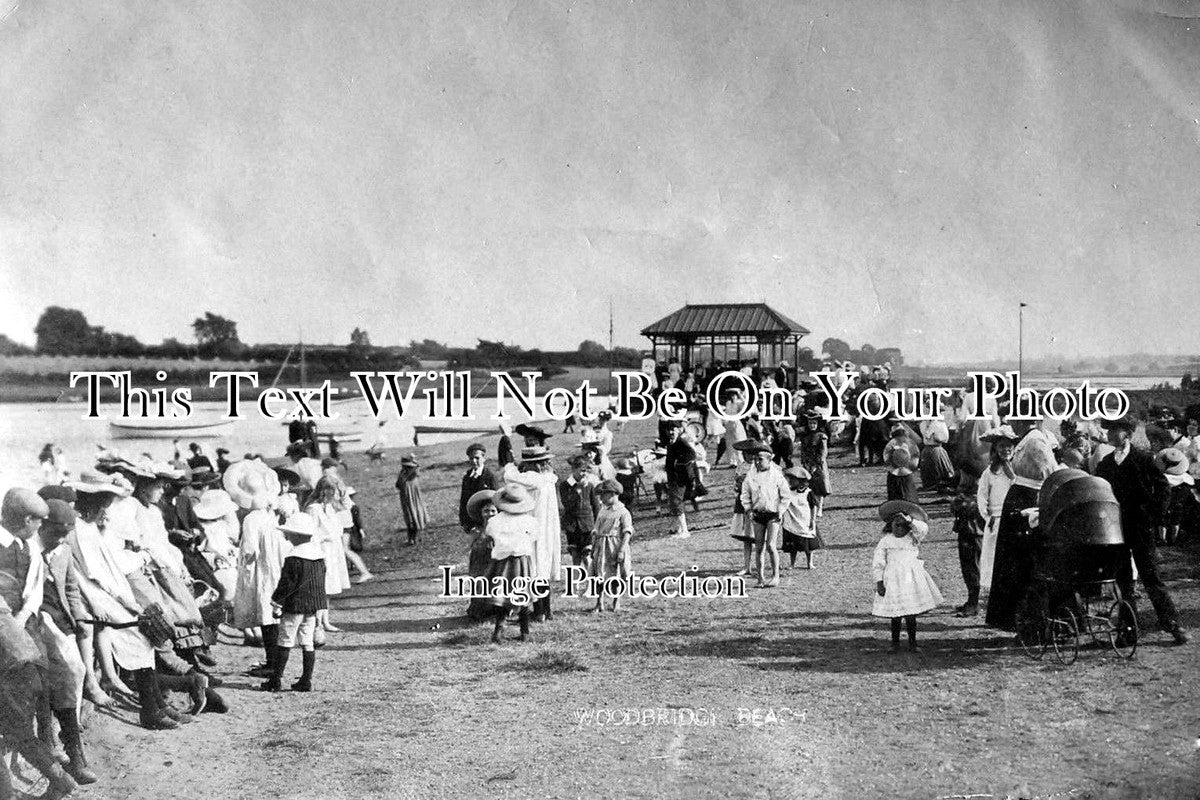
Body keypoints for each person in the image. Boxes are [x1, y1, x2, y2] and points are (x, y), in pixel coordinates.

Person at [1095, 417, 1188, 644]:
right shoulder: (1105, 464)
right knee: (1124, 580)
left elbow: (1164, 488)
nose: (1108, 434)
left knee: (1151, 576)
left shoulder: (1145, 459)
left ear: (1126, 433)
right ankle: (1128, 632)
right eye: (1108, 430)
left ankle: (1172, 624)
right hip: (1115, 529)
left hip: (1141, 528)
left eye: (1113, 430)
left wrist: (1154, 516)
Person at [985, 418, 1058, 631]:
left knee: (1021, 563)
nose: (1011, 424)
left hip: (1028, 500)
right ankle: (1012, 618)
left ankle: (1027, 621)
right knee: (1011, 563)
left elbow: (1050, 474)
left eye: (1014, 419)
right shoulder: (1026, 440)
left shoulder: (1035, 442)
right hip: (1019, 499)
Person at [227, 460, 291, 679]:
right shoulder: (272, 514)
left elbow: (250, 551)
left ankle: (273, 663)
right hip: (277, 567)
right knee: (274, 614)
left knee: (265, 614)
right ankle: (276, 661)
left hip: (261, 571)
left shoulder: (251, 519)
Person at [263, 512, 327, 692]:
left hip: (295, 605)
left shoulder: (294, 557)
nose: (287, 536)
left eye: (289, 533)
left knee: (285, 639)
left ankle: (275, 680)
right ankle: (306, 680)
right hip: (312, 605)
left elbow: (286, 584)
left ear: (297, 536)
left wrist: (276, 602)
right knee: (307, 641)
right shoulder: (318, 556)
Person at [872, 500, 943, 652]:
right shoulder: (886, 541)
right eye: (895, 524)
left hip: (911, 579)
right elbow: (878, 562)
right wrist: (879, 581)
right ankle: (895, 643)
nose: (899, 527)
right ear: (889, 525)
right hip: (892, 580)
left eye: (902, 524)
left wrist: (910, 520)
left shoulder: (912, 538)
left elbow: (923, 529)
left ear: (908, 527)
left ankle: (913, 643)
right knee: (896, 614)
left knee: (911, 614)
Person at [502, 447, 562, 623]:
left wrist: (510, 465)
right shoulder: (549, 479)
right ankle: (547, 611)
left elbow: (509, 476)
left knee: (534, 570)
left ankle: (539, 611)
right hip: (547, 529)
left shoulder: (531, 479)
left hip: (532, 529)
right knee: (542, 568)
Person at [481, 485, 536, 643]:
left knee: (502, 595)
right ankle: (525, 631)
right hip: (521, 560)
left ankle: (498, 630)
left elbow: (490, 535)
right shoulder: (529, 520)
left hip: (502, 561)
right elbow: (534, 536)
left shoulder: (495, 521)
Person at [976, 426, 1017, 599]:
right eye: (1001, 446)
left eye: (1009, 446)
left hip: (1014, 517)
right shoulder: (990, 472)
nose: (1005, 449)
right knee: (994, 557)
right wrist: (988, 517)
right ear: (995, 449)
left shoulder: (1019, 470)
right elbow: (982, 496)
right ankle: (996, 593)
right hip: (997, 518)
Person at [591, 480, 633, 612]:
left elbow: (627, 532)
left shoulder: (623, 512)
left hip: (615, 545)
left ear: (613, 494)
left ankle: (616, 601)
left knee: (616, 573)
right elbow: (596, 530)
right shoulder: (603, 511)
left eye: (604, 495)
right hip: (602, 545)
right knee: (599, 573)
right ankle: (599, 602)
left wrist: (621, 550)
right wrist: (593, 546)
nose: (601, 498)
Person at [950, 471, 985, 617]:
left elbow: (958, 506)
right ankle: (972, 601)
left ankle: (973, 604)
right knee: (970, 568)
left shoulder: (975, 497)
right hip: (971, 531)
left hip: (972, 532)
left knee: (971, 568)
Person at [559, 455, 599, 569]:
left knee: (587, 555)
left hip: (587, 525)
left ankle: (591, 583)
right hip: (572, 525)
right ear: (573, 470)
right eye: (581, 471)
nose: (584, 474)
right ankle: (575, 585)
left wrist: (597, 523)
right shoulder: (565, 486)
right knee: (575, 556)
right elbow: (567, 504)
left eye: (586, 471)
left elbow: (595, 505)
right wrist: (577, 489)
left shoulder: (590, 485)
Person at [464, 490, 498, 621]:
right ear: (481, 513)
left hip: (495, 560)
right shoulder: (476, 530)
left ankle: (496, 610)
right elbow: (472, 546)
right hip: (480, 561)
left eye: (493, 511)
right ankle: (479, 610)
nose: (490, 514)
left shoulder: (501, 528)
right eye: (486, 511)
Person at [780, 467, 821, 570]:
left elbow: (813, 506)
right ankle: (792, 563)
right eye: (790, 479)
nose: (791, 481)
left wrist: (813, 519)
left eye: (793, 479)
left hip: (804, 520)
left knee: (808, 543)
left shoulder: (808, 492)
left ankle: (809, 562)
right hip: (791, 521)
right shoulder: (788, 492)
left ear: (801, 481)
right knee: (792, 545)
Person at [665, 423, 697, 539]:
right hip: (672, 478)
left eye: (673, 430)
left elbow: (692, 455)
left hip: (679, 478)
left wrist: (679, 464)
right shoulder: (671, 443)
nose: (671, 432)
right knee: (674, 502)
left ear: (679, 430)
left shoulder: (681, 442)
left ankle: (685, 530)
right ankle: (678, 529)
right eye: (669, 430)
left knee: (676, 502)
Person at [460, 444, 498, 532]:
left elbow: (496, 500)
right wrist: (464, 523)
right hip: (471, 522)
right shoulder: (467, 476)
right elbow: (463, 501)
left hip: (487, 520)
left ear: (483, 458)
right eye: (471, 458)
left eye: (477, 458)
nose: (474, 461)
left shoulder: (490, 477)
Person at [798, 412, 830, 516]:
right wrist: (805, 462)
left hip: (818, 465)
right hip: (808, 463)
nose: (812, 426)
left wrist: (817, 464)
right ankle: (812, 507)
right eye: (810, 423)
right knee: (810, 486)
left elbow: (823, 451)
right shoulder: (805, 436)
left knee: (820, 487)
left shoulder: (822, 436)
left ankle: (820, 508)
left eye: (814, 423)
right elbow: (803, 451)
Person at [395, 455, 429, 547]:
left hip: (408, 500)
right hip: (414, 500)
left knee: (410, 519)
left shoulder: (405, 475)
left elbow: (398, 485)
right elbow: (418, 466)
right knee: (415, 517)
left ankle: (411, 539)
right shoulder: (414, 474)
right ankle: (413, 538)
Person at [883, 424, 920, 503]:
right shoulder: (908, 444)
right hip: (906, 470)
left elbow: (887, 458)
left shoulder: (892, 445)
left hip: (894, 470)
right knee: (908, 490)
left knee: (895, 492)